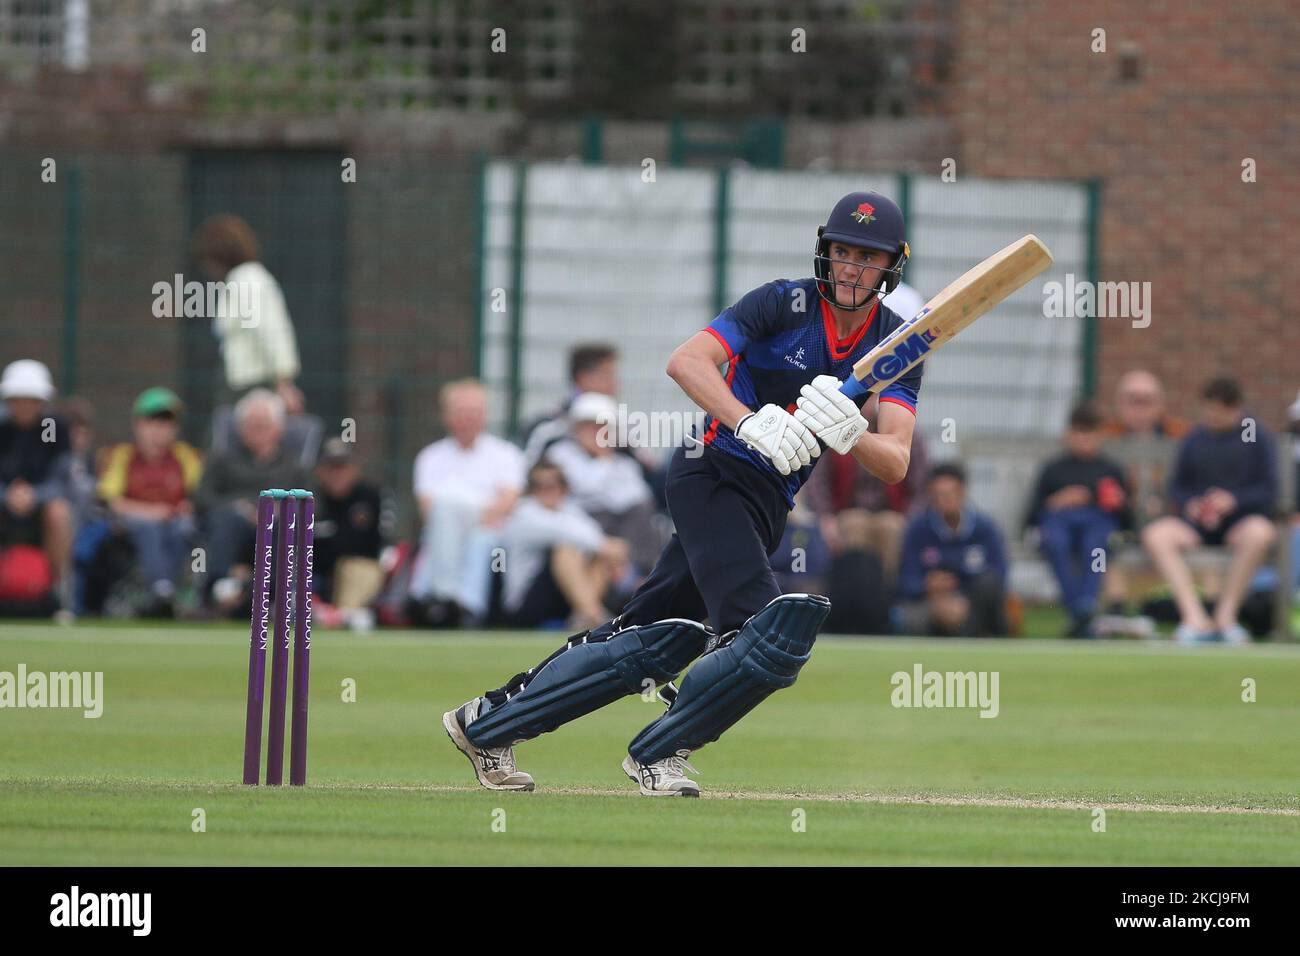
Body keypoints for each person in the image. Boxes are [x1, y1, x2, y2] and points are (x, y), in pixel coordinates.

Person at [442, 191, 922, 796]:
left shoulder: (896, 345)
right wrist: (749, 419)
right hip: (711, 470)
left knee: (649, 638)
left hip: (768, 501)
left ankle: (486, 721)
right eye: (843, 251)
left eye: (868, 257)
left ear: (891, 265)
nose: (852, 267)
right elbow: (687, 361)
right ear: (825, 251)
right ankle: (661, 753)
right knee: (765, 637)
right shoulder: (783, 302)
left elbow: (897, 460)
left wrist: (852, 432)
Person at [1141, 378, 1278, 644]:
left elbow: (1268, 490)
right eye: (1208, 410)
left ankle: (1226, 617)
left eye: (1217, 411)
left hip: (1239, 523)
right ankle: (1194, 618)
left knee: (1261, 532)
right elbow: (1177, 487)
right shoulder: (1194, 438)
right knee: (1156, 535)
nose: (1211, 417)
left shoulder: (1257, 436)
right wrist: (1191, 503)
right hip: (1197, 525)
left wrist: (1233, 500)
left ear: (1235, 407)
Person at [408, 379, 525, 627]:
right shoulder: (430, 457)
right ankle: (452, 603)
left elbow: (507, 503)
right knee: (442, 525)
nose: (469, 419)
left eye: (475, 412)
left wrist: (460, 518)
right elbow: (427, 509)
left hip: (492, 531)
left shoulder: (505, 454)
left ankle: (448, 601)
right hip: (446, 529)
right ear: (446, 416)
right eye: (462, 412)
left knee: (474, 535)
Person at [194, 388, 311, 614]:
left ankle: (275, 594)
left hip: (277, 526)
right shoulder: (222, 461)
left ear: (280, 428)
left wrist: (280, 511)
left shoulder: (295, 467)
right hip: (231, 523)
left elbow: (312, 503)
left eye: (264, 423)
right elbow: (202, 497)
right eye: (251, 423)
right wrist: (237, 506)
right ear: (240, 428)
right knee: (228, 520)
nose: (258, 430)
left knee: (282, 526)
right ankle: (219, 588)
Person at [1024, 403, 1131, 637]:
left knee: (1095, 547)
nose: (1084, 439)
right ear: (1068, 434)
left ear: (1100, 435)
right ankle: (1081, 611)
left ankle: (1084, 607)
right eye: (1079, 432)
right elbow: (1031, 515)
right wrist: (1058, 501)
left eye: (1090, 432)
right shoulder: (1053, 469)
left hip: (1098, 524)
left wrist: (1110, 502)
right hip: (1059, 524)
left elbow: (1126, 520)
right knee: (1055, 543)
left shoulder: (1110, 469)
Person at [97, 387, 202, 616]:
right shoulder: (122, 455)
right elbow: (111, 500)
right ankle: (162, 589)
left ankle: (174, 593)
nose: (160, 429)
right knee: (148, 528)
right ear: (138, 425)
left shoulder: (186, 456)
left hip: (175, 524)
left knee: (183, 529)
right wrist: (149, 512)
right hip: (132, 525)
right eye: (153, 421)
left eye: (167, 422)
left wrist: (188, 507)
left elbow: (199, 496)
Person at [191, 214, 304, 414]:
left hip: (249, 386)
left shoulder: (246, 279)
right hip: (242, 384)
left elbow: (271, 330)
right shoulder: (242, 280)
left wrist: (284, 383)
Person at [500, 460, 631, 630]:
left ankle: (585, 616)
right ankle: (596, 617)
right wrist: (612, 549)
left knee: (599, 557)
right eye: (538, 485)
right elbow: (568, 533)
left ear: (563, 488)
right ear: (531, 490)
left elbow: (593, 535)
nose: (545, 491)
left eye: (551, 485)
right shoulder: (524, 513)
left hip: (563, 599)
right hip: (525, 603)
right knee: (567, 551)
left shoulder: (570, 510)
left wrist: (608, 549)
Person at [544, 391, 662, 576]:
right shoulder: (560, 454)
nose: (597, 433)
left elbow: (639, 498)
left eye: (602, 427)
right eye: (590, 427)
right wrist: (602, 460)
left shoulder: (623, 462)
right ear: (577, 429)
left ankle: (633, 574)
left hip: (619, 532)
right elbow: (584, 488)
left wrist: (605, 460)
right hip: (579, 527)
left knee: (642, 514)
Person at [896, 463, 1009, 637]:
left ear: (962, 492)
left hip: (972, 602)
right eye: (937, 496)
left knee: (990, 591)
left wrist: (963, 596)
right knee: (911, 618)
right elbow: (906, 578)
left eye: (948, 495)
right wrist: (928, 586)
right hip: (930, 602)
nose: (943, 501)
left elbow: (998, 574)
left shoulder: (985, 529)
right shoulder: (918, 529)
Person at [0, 359, 73, 611]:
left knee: (59, 512)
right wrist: (6, 495)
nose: (23, 406)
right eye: (17, 399)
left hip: (41, 507)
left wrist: (35, 495)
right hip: (5, 506)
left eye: (30, 400)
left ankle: (57, 592)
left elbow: (61, 476)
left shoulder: (53, 427)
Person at [311, 437, 386, 627]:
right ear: (319, 471)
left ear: (355, 469)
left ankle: (346, 616)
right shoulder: (309, 497)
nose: (337, 474)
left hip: (354, 571)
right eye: (331, 467)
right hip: (315, 573)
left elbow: (368, 544)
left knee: (358, 568)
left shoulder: (370, 497)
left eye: (342, 467)